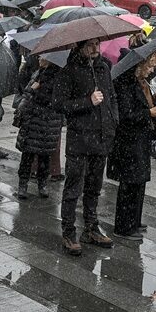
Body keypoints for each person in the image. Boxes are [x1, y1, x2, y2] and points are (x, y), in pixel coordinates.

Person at [54, 37, 117, 255]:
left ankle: (91, 228)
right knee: (73, 188)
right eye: (90, 45)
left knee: (94, 188)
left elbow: (111, 98)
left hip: (101, 139)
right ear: (79, 47)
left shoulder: (104, 69)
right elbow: (59, 105)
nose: (95, 48)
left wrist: (112, 121)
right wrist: (87, 101)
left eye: (97, 44)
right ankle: (68, 232)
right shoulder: (68, 71)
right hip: (79, 140)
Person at [108, 48, 156, 238]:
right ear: (139, 66)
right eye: (149, 67)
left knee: (139, 183)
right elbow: (126, 116)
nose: (151, 71)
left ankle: (135, 221)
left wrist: (153, 102)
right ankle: (124, 227)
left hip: (140, 140)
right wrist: (149, 113)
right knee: (130, 184)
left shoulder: (142, 84)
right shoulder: (125, 85)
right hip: (129, 142)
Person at [14, 56, 62, 200]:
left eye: (44, 56)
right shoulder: (37, 73)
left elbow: (52, 100)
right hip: (33, 121)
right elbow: (27, 93)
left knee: (44, 157)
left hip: (47, 122)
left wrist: (37, 90)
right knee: (28, 155)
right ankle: (23, 184)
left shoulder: (57, 77)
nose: (40, 58)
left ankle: (42, 184)